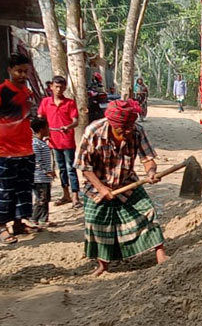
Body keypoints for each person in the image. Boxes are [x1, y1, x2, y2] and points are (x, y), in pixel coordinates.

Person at [73, 100, 168, 276]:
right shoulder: (93, 131)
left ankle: (160, 254)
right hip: (96, 185)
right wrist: (101, 188)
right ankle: (103, 265)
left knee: (148, 212)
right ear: (112, 124)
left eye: (130, 127)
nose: (128, 132)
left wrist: (151, 173)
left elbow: (148, 159)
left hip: (126, 183)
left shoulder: (137, 131)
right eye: (122, 129)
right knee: (97, 223)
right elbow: (83, 167)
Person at [0, 53, 37, 244]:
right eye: (18, 71)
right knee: (6, 191)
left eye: (25, 71)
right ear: (10, 70)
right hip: (6, 151)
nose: (22, 75)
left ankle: (18, 222)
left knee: (24, 189)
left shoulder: (27, 94)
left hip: (26, 150)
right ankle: (2, 225)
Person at [37, 76, 82, 208]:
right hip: (53, 141)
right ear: (51, 87)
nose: (59, 89)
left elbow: (76, 121)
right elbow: (40, 118)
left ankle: (75, 196)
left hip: (67, 141)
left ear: (65, 87)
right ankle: (65, 194)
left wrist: (68, 127)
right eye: (56, 86)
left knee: (71, 168)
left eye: (62, 87)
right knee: (61, 168)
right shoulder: (45, 102)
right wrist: (42, 132)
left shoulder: (70, 103)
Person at [30, 117, 55, 228]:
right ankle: (34, 218)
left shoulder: (41, 142)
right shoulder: (36, 144)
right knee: (41, 199)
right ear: (41, 129)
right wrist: (47, 171)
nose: (48, 129)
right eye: (46, 127)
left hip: (44, 177)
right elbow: (37, 160)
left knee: (45, 198)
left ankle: (43, 219)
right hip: (39, 177)